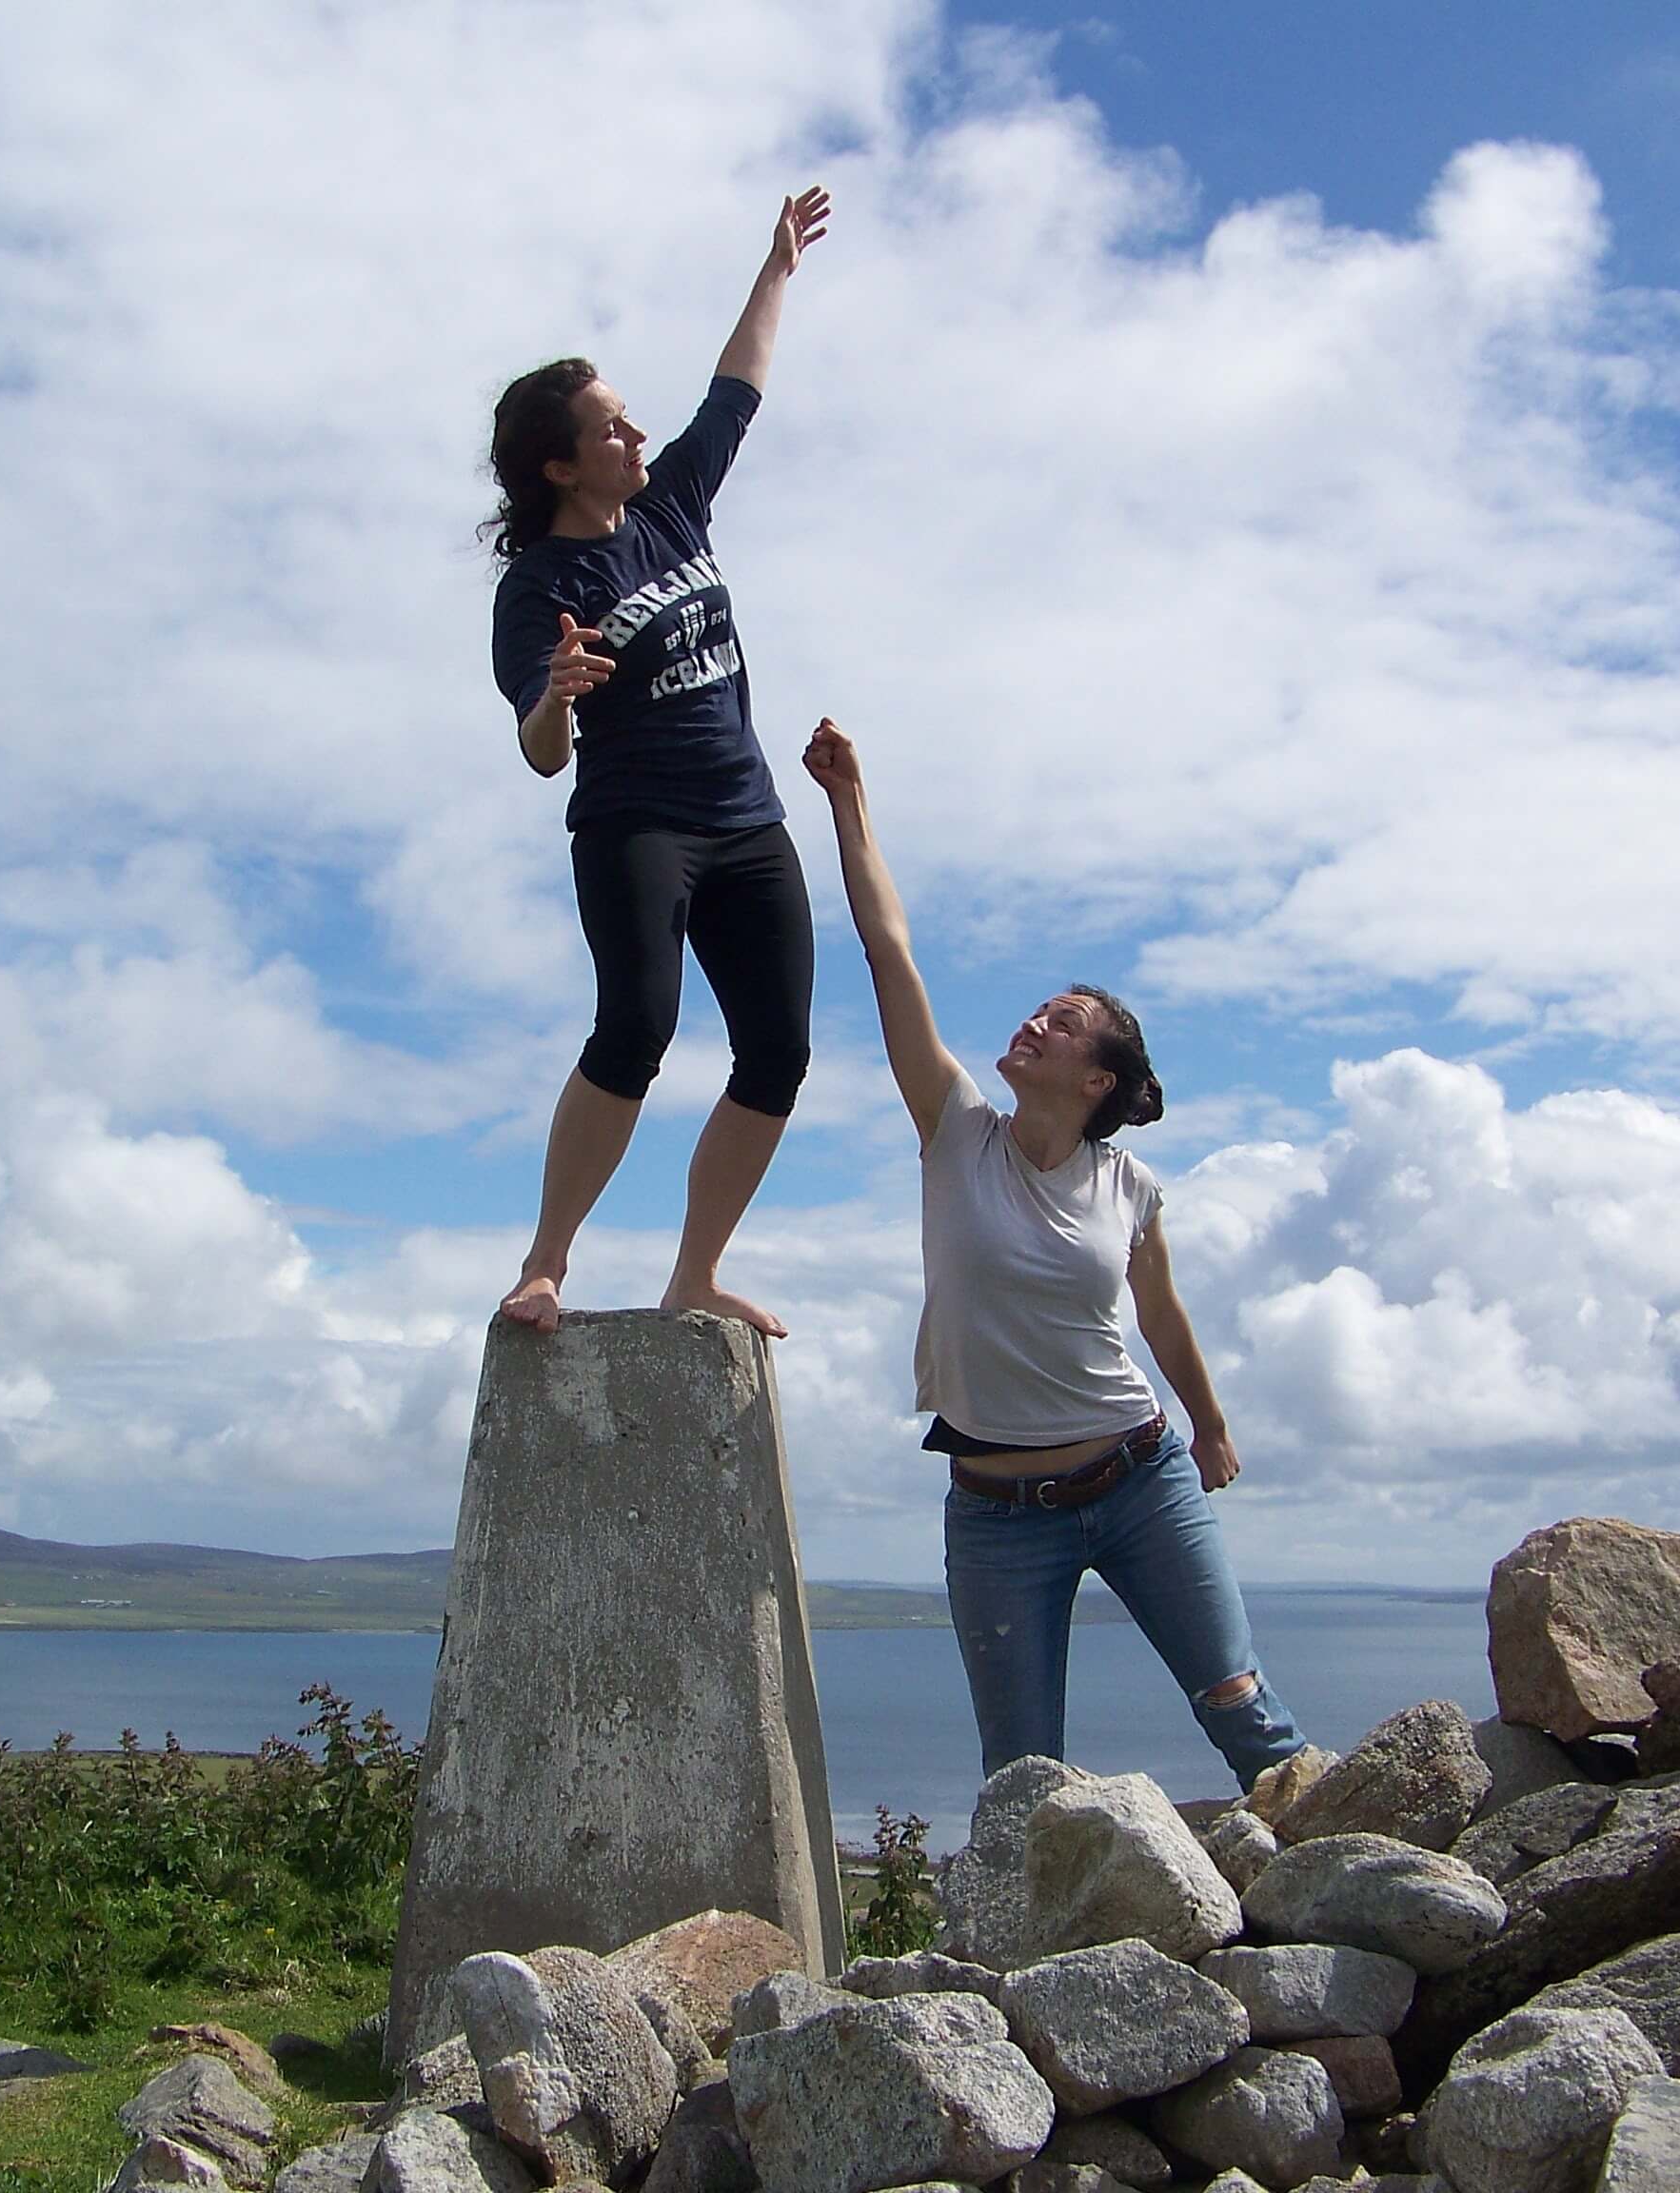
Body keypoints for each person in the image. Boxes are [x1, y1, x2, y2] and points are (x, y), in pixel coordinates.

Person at [802, 717, 1311, 1788]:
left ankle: (1375, 1883)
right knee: (1023, 1777)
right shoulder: (955, 1132)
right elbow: (888, 954)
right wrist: (850, 805)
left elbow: (1160, 1318)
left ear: (1098, 1083)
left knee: (1242, 1706)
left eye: (1065, 1021)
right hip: (995, 1515)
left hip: (1138, 1477)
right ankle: (1035, 1960)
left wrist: (1211, 1427)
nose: (1037, 1019)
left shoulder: (1128, 1186)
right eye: (1040, 1008)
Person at [484, 188, 834, 1340]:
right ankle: (545, 1262)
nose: (637, 437)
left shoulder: (673, 507)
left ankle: (697, 1271)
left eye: (635, 420)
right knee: (636, 1026)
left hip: (748, 822)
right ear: (561, 468)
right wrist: (556, 698)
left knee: (777, 1051)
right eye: (613, 429)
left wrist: (774, 270)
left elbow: (737, 389)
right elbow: (541, 755)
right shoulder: (540, 590)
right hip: (639, 827)